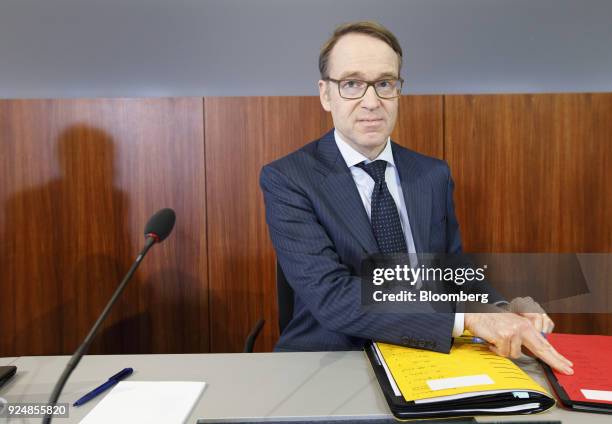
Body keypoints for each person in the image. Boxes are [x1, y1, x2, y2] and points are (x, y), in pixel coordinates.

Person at [260, 21, 573, 375]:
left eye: (384, 83)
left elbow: (453, 272)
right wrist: (467, 318)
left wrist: (500, 308)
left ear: (398, 90)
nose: (371, 101)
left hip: (429, 356)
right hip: (330, 361)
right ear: (325, 94)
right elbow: (332, 297)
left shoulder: (432, 174)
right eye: (351, 84)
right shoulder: (288, 178)